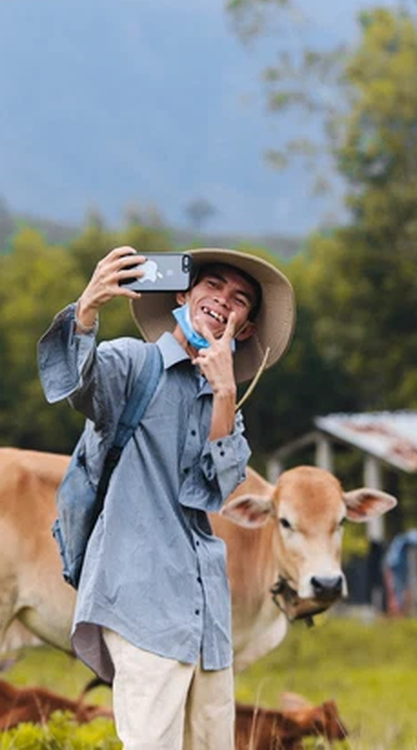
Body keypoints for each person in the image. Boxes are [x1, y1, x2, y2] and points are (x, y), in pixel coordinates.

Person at [37, 245, 295, 750]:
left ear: (243, 329)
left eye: (240, 300)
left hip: (206, 616)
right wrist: (86, 310)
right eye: (213, 285)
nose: (223, 300)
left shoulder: (228, 409)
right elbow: (78, 388)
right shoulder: (135, 363)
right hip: (141, 598)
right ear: (184, 293)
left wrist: (223, 394)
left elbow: (212, 490)